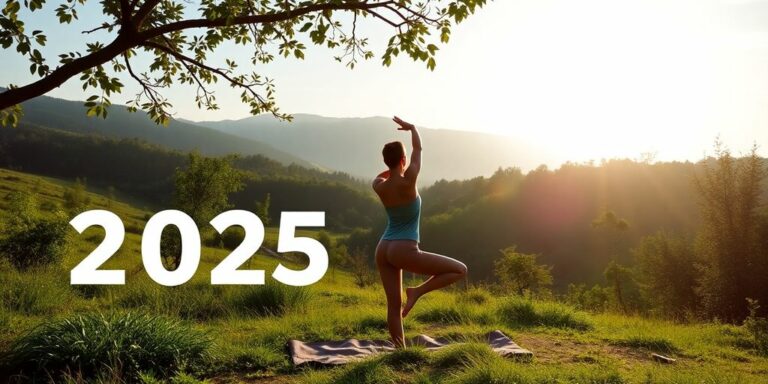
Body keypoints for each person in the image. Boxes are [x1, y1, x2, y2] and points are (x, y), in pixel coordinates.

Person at [372, 116, 468, 348]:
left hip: (383, 247)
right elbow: (418, 148)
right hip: (404, 248)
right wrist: (413, 129)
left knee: (393, 307)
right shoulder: (409, 181)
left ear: (386, 162)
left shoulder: (379, 186)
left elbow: (383, 175)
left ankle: (400, 352)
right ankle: (417, 292)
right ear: (403, 160)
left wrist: (392, 168)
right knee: (460, 270)